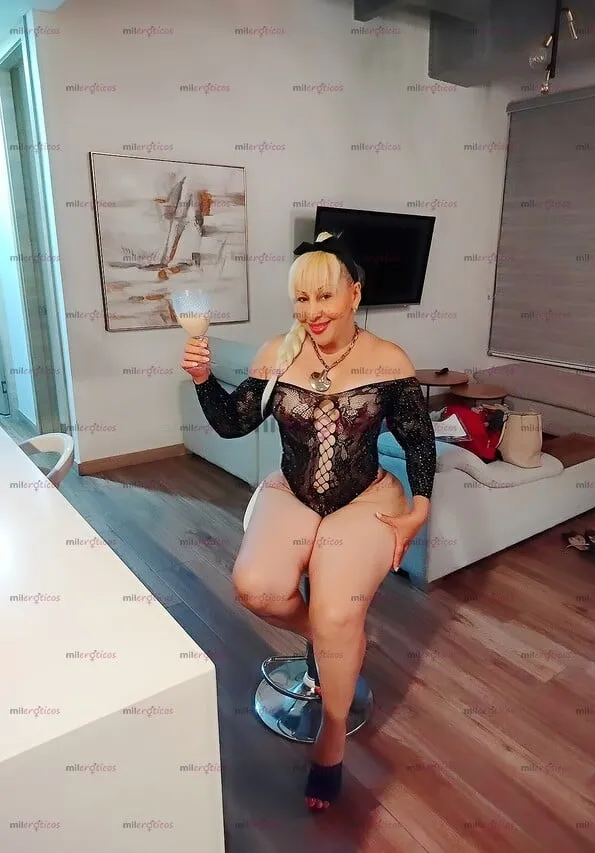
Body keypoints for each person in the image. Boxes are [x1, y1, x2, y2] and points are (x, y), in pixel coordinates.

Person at [181, 232, 437, 810]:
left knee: (338, 611)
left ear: (354, 294)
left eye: (325, 296)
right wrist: (203, 380)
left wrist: (419, 510)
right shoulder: (278, 353)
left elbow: (420, 444)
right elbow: (231, 424)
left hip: (365, 497)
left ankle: (331, 737)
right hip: (293, 491)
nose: (313, 311)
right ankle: (328, 640)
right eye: (302, 299)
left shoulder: (388, 360)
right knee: (257, 588)